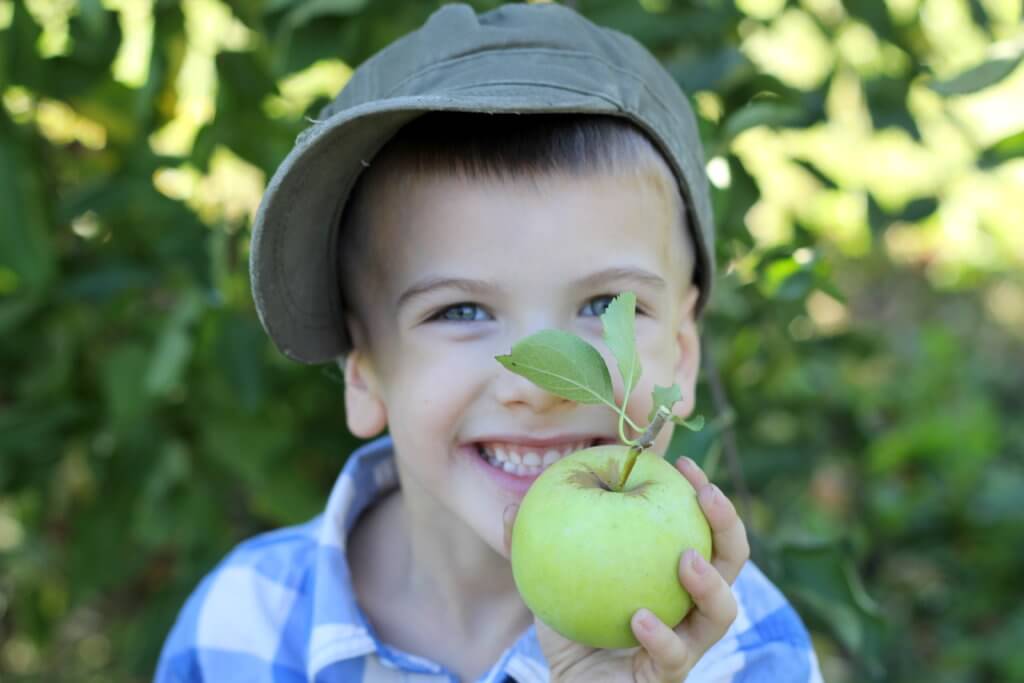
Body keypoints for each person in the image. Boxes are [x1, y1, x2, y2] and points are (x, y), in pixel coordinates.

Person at [155, 3, 823, 681]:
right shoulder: (244, 628)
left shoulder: (742, 652)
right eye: (464, 309)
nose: (539, 387)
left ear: (679, 352)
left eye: (604, 305)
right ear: (365, 372)